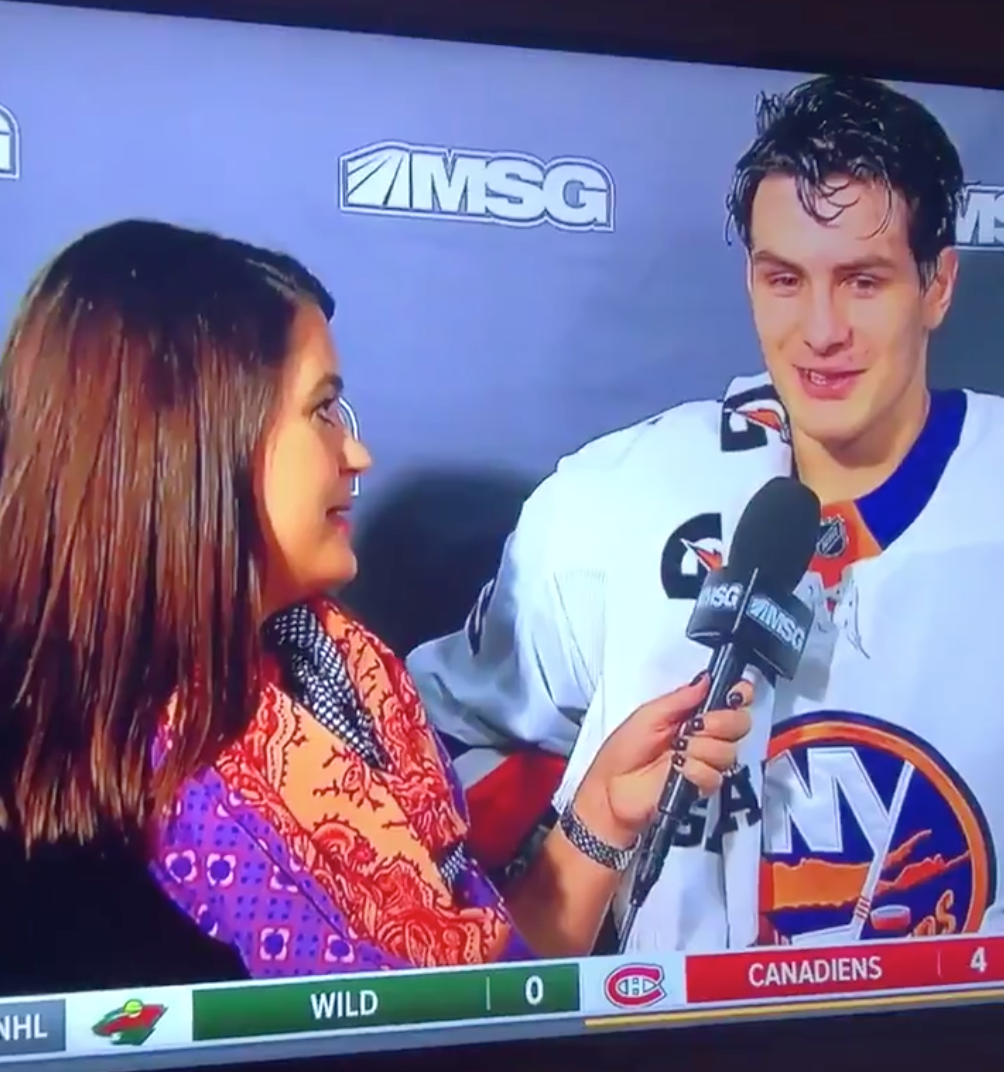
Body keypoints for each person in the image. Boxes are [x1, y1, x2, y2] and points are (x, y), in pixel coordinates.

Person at [0, 219, 750, 996]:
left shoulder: (347, 684)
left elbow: (482, 1002)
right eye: (323, 411)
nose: (356, 453)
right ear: (200, 437)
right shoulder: (67, 812)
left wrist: (602, 815)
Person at [407, 74, 1004, 953]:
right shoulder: (612, 502)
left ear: (938, 285)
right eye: (784, 278)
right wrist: (578, 831)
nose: (820, 329)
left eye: (863, 281)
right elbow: (431, 753)